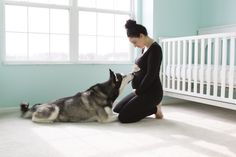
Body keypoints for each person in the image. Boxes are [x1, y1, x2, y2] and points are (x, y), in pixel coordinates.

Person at [113, 19, 163, 123]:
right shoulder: (143, 49)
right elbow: (141, 69)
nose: (134, 45)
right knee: (116, 109)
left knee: (124, 117)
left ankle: (155, 109)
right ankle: (147, 107)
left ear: (141, 35)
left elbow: (151, 75)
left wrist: (138, 91)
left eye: (134, 42)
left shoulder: (155, 50)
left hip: (151, 92)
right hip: (141, 90)